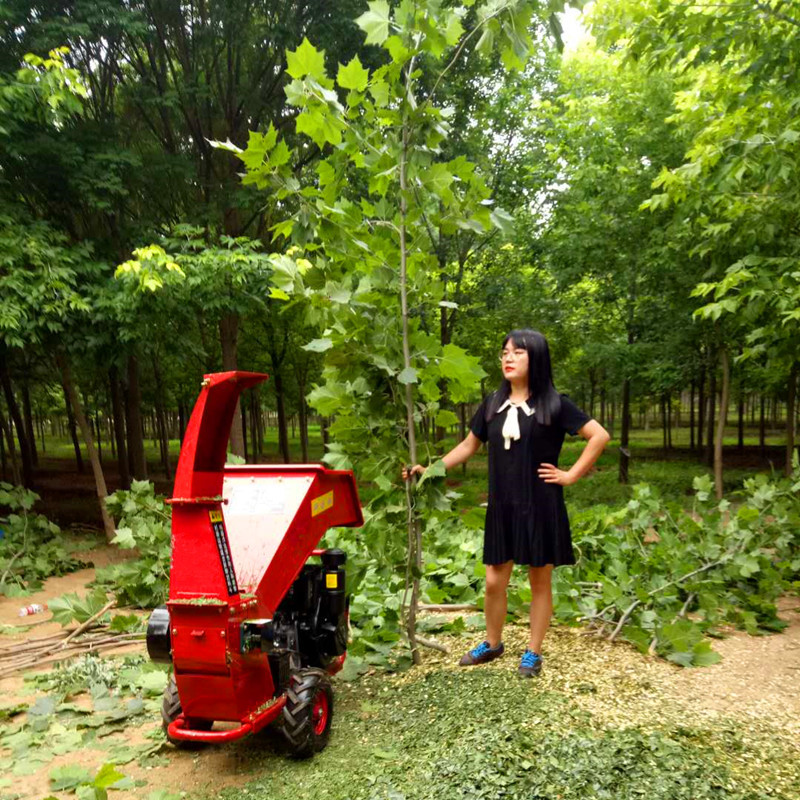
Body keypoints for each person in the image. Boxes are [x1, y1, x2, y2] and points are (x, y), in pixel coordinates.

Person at [403, 329, 610, 677]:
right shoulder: (491, 404)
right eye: (504, 353)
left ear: (537, 359)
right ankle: (494, 644)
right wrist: (430, 470)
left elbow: (599, 435)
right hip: (502, 506)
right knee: (494, 582)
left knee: (538, 581)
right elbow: (469, 446)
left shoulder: (555, 403)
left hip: (541, 504)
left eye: (517, 352)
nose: (508, 358)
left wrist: (570, 475)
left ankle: (533, 652)